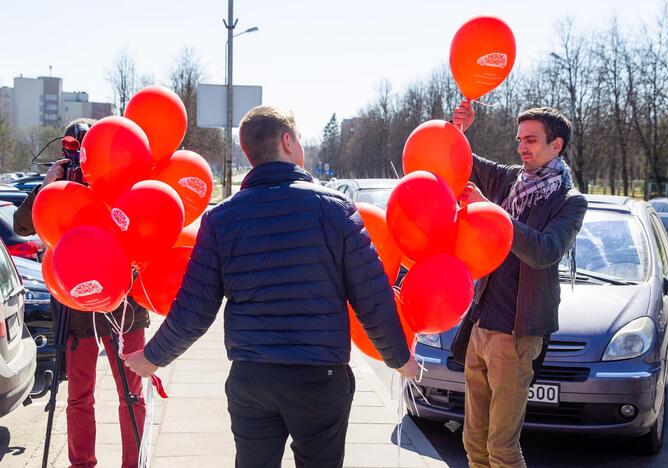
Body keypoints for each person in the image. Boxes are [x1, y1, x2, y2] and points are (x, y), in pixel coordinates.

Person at [125, 105, 419, 467]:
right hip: (319, 377)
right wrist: (400, 358)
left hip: (252, 378)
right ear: (286, 141)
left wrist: (153, 357)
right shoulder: (336, 209)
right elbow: (371, 296)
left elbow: (194, 309)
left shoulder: (220, 219)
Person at [451, 101, 587, 468]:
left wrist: (493, 213)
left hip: (516, 334)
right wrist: (459, 128)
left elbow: (545, 251)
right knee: (472, 442)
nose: (521, 147)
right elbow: (469, 162)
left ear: (555, 145)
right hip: (481, 325)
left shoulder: (570, 201)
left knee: (502, 448)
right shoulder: (513, 179)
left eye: (531, 140)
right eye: (519, 139)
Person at [14, 118, 149, 468]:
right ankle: (81, 463)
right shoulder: (59, 184)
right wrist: (48, 187)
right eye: (70, 151)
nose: (77, 160)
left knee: (131, 395)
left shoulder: (121, 180)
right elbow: (22, 224)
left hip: (123, 303)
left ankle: (133, 463)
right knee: (78, 397)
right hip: (75, 306)